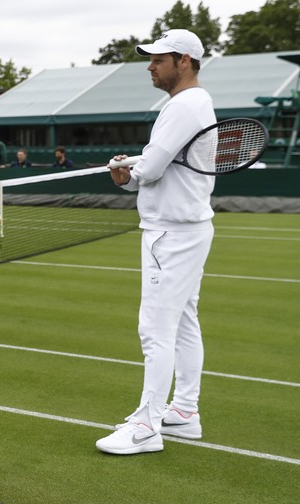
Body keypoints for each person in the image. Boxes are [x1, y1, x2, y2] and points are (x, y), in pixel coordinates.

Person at [97, 29, 216, 455]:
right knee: (183, 321)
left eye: (158, 59)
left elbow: (153, 165)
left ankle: (148, 426)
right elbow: (150, 169)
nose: (150, 65)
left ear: (184, 61)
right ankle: (184, 412)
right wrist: (131, 170)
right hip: (182, 226)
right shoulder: (187, 104)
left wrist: (129, 167)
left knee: (156, 329)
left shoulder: (186, 104)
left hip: (173, 232)